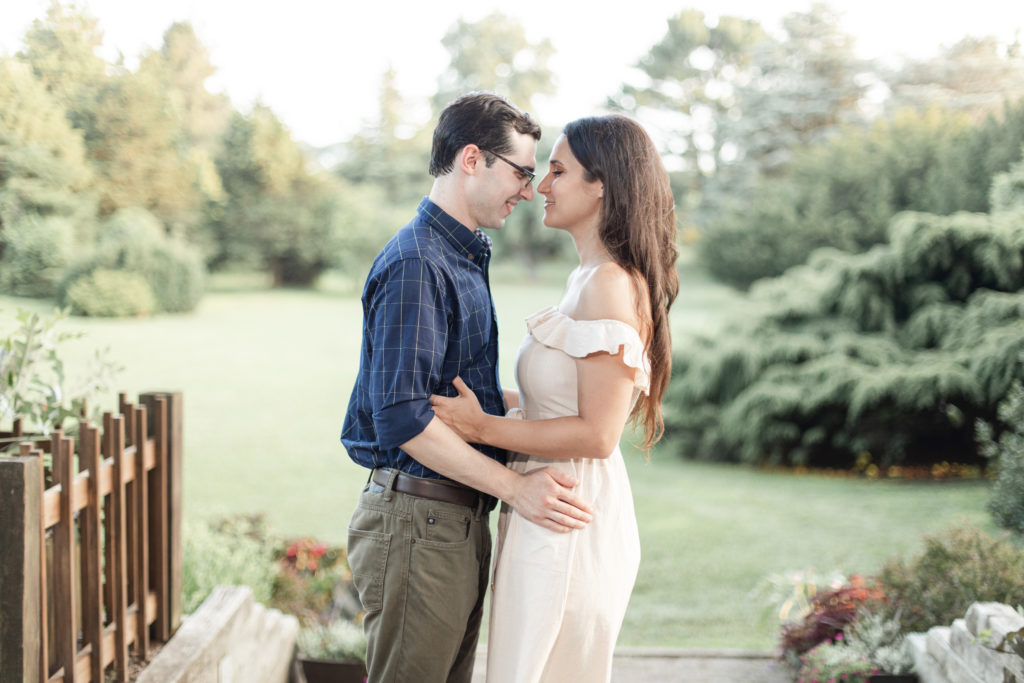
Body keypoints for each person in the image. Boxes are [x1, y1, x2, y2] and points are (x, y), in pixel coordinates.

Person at [339, 92, 594, 683]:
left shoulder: (459, 254)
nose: (529, 191)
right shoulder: (418, 263)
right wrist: (516, 488)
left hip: (447, 524)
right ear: (473, 159)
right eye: (522, 173)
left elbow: (452, 393)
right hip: (417, 524)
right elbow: (403, 417)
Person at [429, 114, 679, 683]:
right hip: (544, 502)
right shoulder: (584, 278)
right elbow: (557, 401)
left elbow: (597, 433)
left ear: (603, 186)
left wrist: (481, 428)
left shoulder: (611, 283)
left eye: (558, 171)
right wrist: (481, 404)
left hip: (569, 511)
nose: (539, 185)